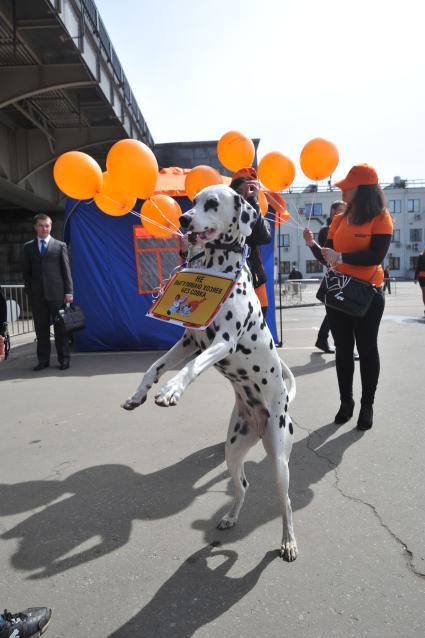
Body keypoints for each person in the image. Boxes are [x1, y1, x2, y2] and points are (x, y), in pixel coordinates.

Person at [303, 164, 393, 430]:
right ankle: (346, 402)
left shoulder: (381, 217)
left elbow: (376, 256)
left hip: (367, 294)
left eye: (347, 186)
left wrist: (340, 257)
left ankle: (367, 405)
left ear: (362, 190)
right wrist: (312, 246)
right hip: (338, 291)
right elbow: (327, 257)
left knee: (366, 349)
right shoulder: (339, 219)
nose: (342, 190)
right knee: (342, 349)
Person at [23, 213, 74, 371]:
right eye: (41, 225)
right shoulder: (28, 247)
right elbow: (26, 273)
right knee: (41, 329)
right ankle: (43, 361)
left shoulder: (60, 246)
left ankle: (64, 360)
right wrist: (30, 292)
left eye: (47, 225)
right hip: (37, 296)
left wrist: (69, 292)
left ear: (51, 227)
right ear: (35, 227)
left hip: (57, 295)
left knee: (61, 330)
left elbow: (67, 271)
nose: (44, 228)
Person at [230, 168, 272, 317]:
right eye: (240, 190)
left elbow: (264, 237)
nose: (245, 193)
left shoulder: (257, 214)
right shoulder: (224, 216)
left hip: (255, 280)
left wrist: (252, 200)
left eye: (250, 189)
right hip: (230, 281)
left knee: (258, 325)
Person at [311, 200, 346, 353]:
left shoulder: (344, 227)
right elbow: (323, 255)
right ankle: (342, 346)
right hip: (335, 275)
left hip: (344, 274)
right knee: (341, 311)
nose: (343, 213)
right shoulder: (326, 230)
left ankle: (322, 338)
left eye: (345, 210)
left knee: (337, 310)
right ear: (332, 212)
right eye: (340, 210)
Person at [414, 247, 425, 315]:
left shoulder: (421, 256)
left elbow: (417, 267)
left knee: (424, 293)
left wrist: (415, 278)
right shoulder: (421, 256)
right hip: (422, 277)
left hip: (421, 277)